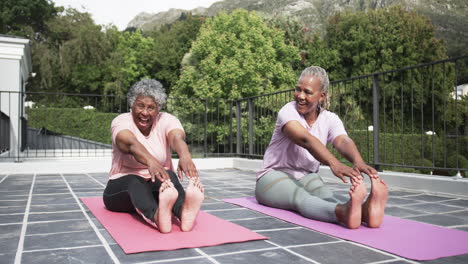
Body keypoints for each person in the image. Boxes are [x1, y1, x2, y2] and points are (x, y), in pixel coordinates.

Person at [255, 66, 388, 229]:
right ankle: (343, 213)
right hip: (273, 176)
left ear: (322, 96)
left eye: (308, 92)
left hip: (307, 176)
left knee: (327, 197)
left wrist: (358, 161)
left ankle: (364, 212)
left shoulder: (330, 118)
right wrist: (334, 163)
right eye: (298, 90)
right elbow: (305, 139)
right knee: (300, 197)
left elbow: (342, 141)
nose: (300, 96)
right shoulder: (288, 111)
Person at [103, 79, 204, 233]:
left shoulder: (166, 120)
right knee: (133, 180)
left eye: (151, 108)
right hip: (121, 190)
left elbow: (177, 137)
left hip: (156, 188)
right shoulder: (121, 121)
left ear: (158, 110)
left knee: (168, 176)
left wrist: (185, 155)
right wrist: (151, 162)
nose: (145, 112)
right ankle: (157, 216)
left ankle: (184, 212)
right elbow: (130, 143)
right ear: (132, 105)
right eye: (140, 106)